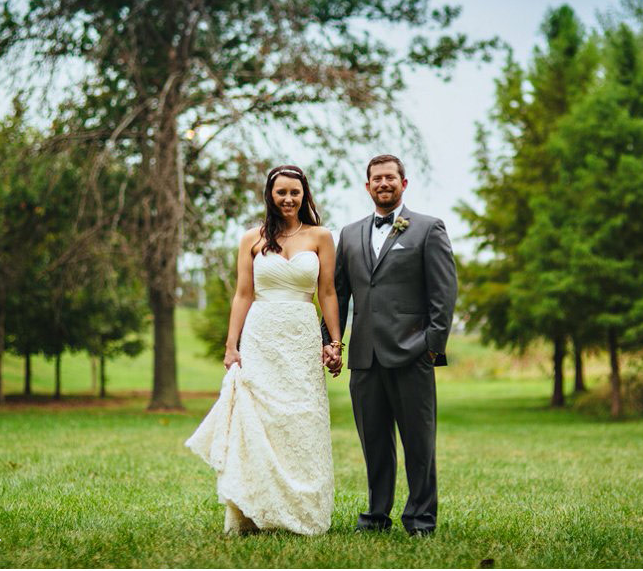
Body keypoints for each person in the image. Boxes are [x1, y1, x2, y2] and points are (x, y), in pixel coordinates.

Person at [185, 164, 342, 535]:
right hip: (261, 337)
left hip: (302, 336)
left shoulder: (321, 237)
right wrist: (231, 345)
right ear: (270, 195)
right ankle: (254, 510)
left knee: (302, 420)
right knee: (260, 421)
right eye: (281, 192)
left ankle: (302, 511)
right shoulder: (250, 239)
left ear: (305, 196)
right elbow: (243, 294)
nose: (288, 198)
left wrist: (334, 342)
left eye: (295, 192)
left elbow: (328, 292)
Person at [321, 154, 458, 537]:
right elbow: (338, 293)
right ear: (367, 187)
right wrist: (331, 341)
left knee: (419, 444)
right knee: (375, 444)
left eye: (390, 178)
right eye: (376, 178)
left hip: (412, 354)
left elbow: (443, 294)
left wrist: (431, 346)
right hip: (365, 359)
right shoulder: (349, 234)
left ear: (403, 183)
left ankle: (420, 520)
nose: (383, 183)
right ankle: (376, 516)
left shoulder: (428, 229)